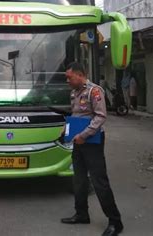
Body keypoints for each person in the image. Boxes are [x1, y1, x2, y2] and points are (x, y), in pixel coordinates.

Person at [61, 62, 123, 236]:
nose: (67, 80)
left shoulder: (94, 91)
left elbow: (100, 117)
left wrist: (84, 135)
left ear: (80, 75)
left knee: (99, 182)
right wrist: (66, 130)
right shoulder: (74, 92)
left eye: (69, 77)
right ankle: (81, 214)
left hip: (92, 142)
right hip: (78, 142)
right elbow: (75, 115)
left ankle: (115, 222)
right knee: (79, 180)